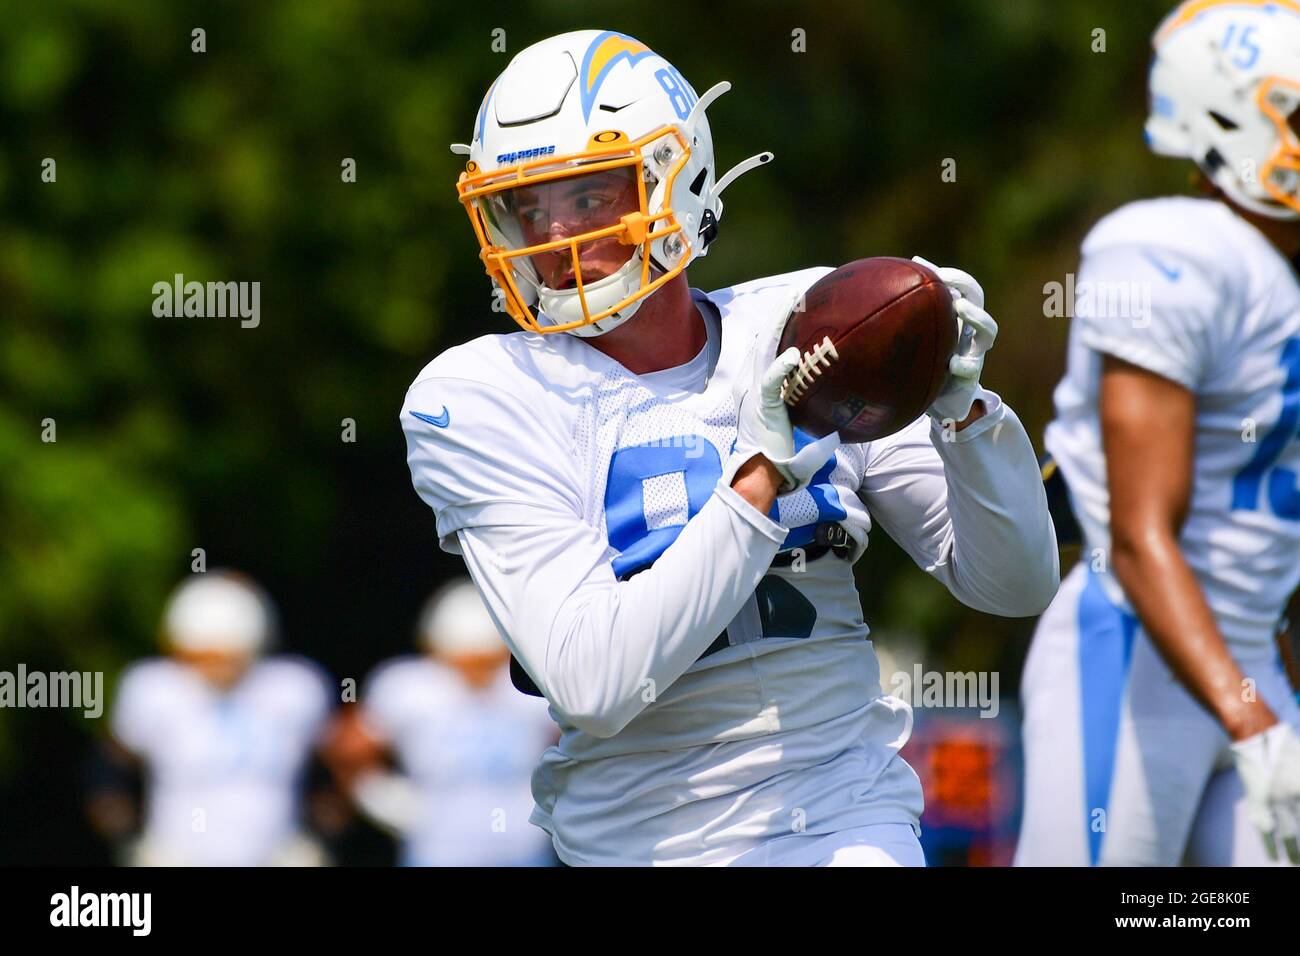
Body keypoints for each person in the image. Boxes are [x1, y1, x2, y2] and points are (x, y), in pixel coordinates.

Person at [402, 29, 1058, 866]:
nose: (553, 236)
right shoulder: (485, 395)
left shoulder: (808, 330)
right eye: (530, 206)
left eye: (590, 196)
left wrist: (967, 418)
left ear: (679, 180)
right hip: (636, 840)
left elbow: (1015, 584)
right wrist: (757, 484)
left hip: (841, 817)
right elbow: (594, 684)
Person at [1017, 0, 1300, 867]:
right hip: (1134, 656)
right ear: (1232, 121)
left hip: (1247, 660)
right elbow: (1139, 540)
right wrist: (1252, 723)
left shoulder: (1277, 276)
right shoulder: (1170, 249)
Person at [95, 571, 335, 866]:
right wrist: (128, 838)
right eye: (202, 656)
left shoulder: (294, 689)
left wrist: (319, 837)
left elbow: (331, 770)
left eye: (226, 657)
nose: (215, 669)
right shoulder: (154, 689)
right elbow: (109, 771)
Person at [325, 578, 558, 866]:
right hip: (437, 854)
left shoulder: (529, 686)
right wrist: (381, 797)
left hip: (525, 852)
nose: (476, 671)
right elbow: (348, 750)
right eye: (465, 659)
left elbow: (586, 741)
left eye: (486, 659)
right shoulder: (411, 687)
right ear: (438, 650)